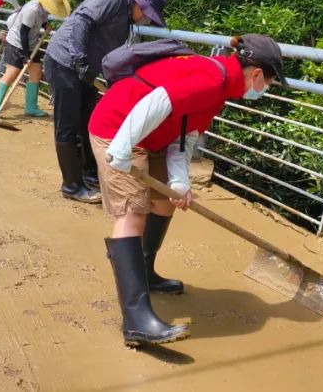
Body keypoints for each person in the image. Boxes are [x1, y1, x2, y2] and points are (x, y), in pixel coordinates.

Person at [89, 34, 284, 347]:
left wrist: (180, 181)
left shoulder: (221, 87)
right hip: (118, 128)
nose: (265, 89)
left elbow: (186, 134)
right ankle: (136, 320)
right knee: (132, 213)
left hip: (153, 136)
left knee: (165, 203)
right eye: (269, 83)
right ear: (257, 74)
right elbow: (154, 102)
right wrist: (123, 148)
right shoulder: (211, 79)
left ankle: (145, 272)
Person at [43, 0, 167, 204]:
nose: (146, 21)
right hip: (64, 62)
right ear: (140, 5)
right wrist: (79, 58)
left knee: (88, 123)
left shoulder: (127, 21)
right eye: (148, 16)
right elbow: (82, 20)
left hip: (87, 71)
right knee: (68, 125)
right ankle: (71, 185)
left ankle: (89, 174)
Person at [0, 0, 71, 118]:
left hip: (31, 44)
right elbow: (23, 33)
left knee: (36, 72)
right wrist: (26, 56)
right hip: (16, 43)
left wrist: (45, 25)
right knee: (12, 73)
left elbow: (42, 20)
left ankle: (31, 107)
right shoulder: (32, 10)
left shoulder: (44, 8)